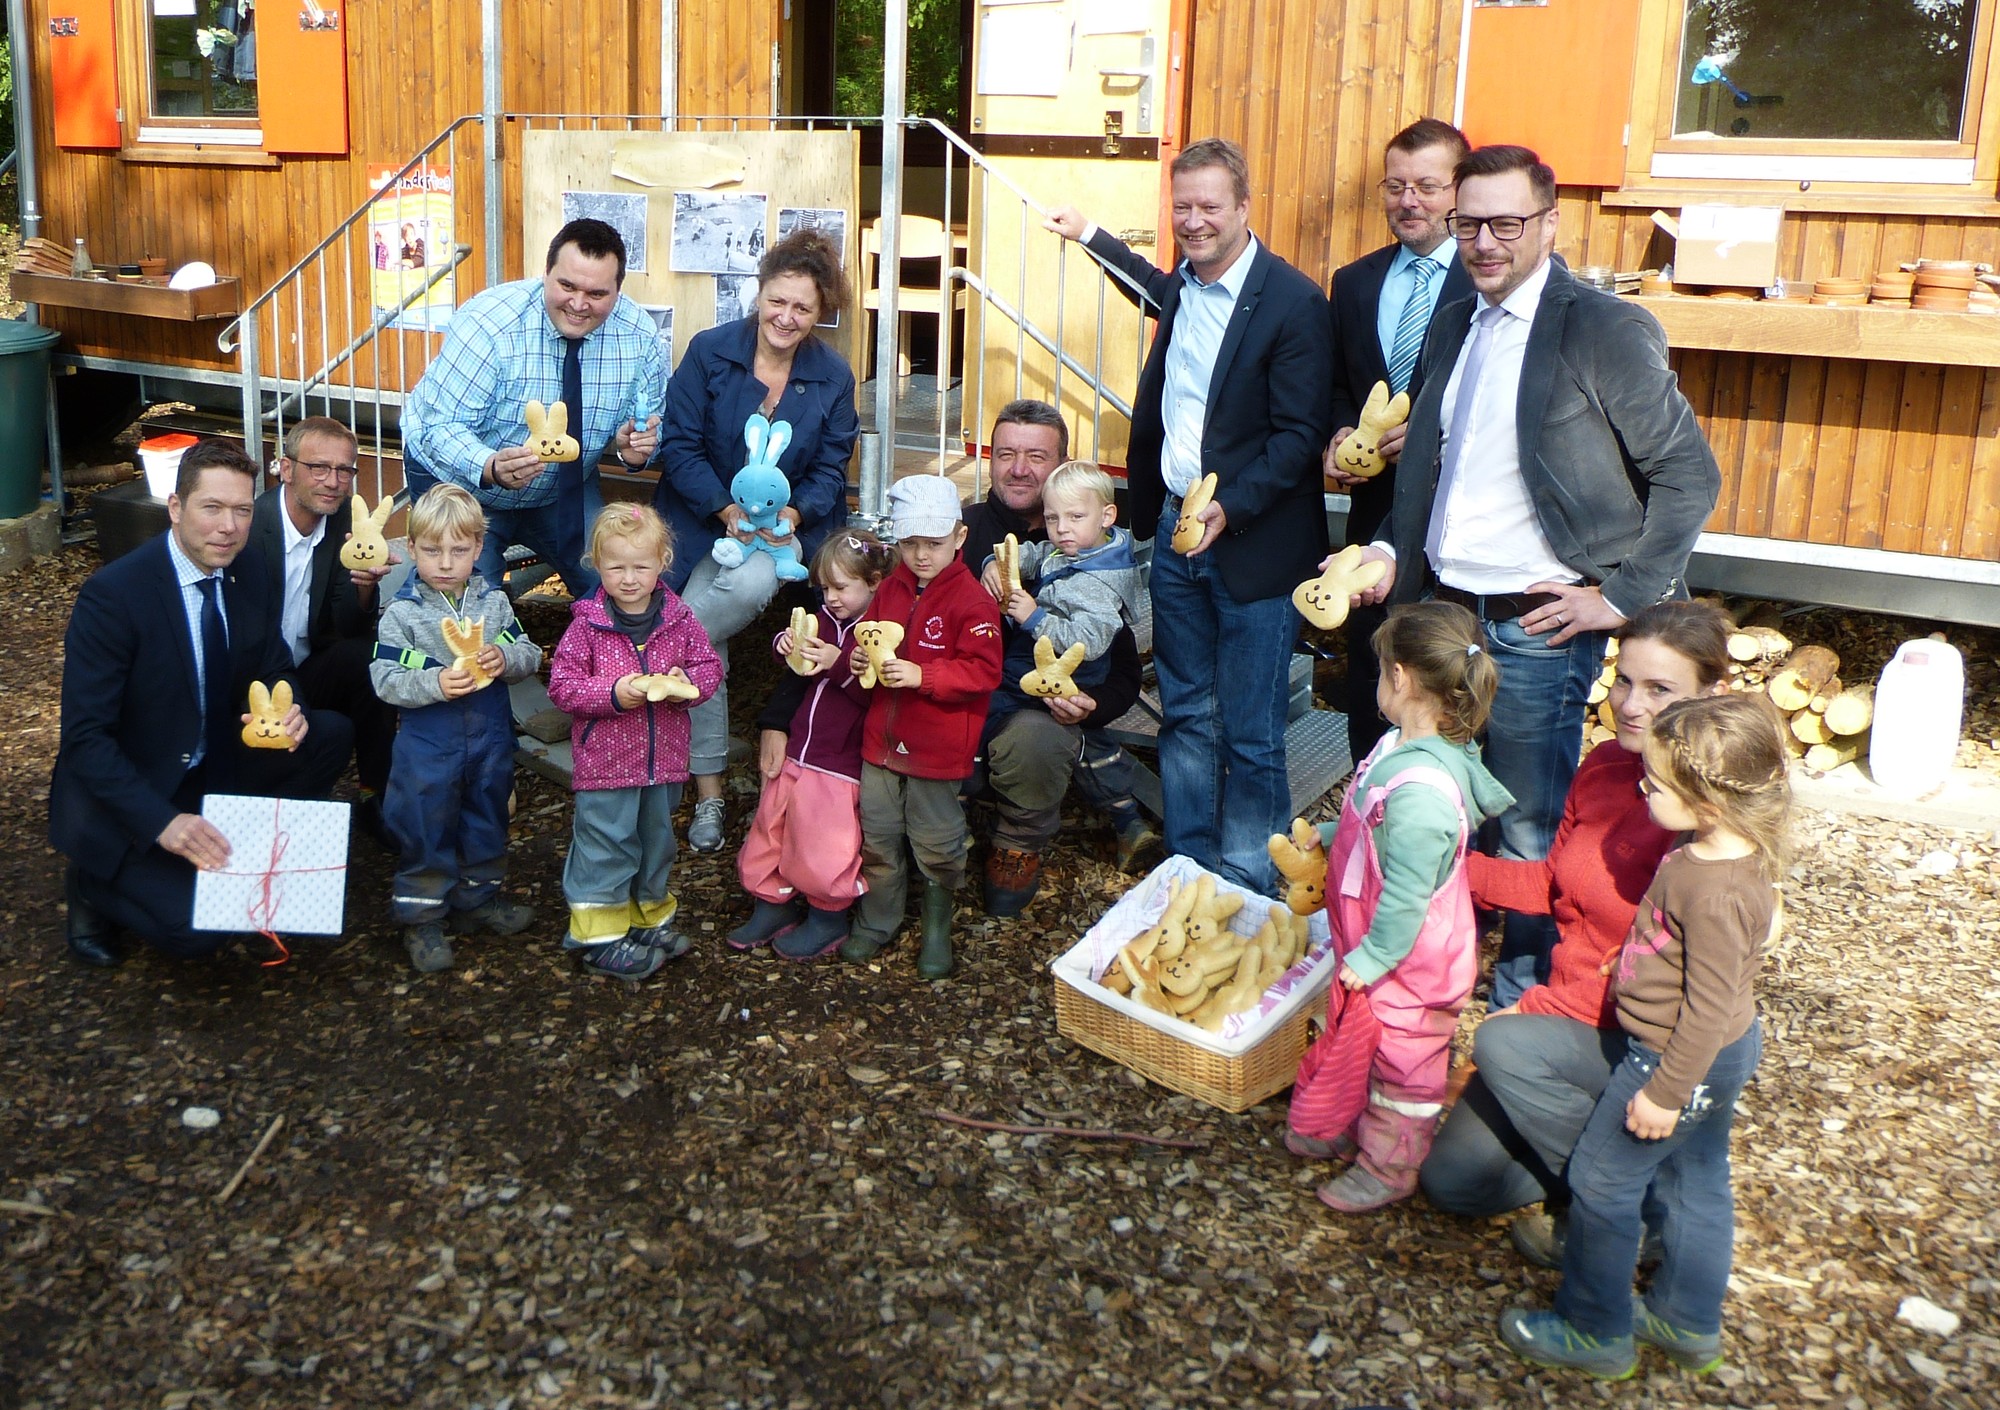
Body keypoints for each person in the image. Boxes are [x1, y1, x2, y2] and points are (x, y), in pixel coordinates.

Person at [1356, 144, 1720, 1007]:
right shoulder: (1456, 316)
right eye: (1468, 222)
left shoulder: (1600, 328)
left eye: (1505, 223)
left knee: (1525, 816)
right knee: (1439, 797)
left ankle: (1523, 991)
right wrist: (1388, 553)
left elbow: (1688, 474)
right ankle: (1433, 952)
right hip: (1446, 609)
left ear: (1550, 224)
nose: (1484, 241)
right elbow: (1434, 464)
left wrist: (1621, 597)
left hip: (1534, 623)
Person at [1047, 137, 1334, 896]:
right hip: (1176, 533)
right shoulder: (1184, 283)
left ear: (1244, 206)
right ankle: (1187, 867)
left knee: (1249, 728)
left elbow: (1300, 437)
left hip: (1253, 541)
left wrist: (1229, 510)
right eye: (1183, 207)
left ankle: (1245, 883)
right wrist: (1091, 236)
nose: (1195, 221)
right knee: (1185, 716)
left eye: (1211, 206)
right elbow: (1144, 280)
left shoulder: (1294, 302)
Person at [1419, 601, 1735, 1250]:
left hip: (1637, 1040)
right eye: (1623, 679)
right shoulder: (1605, 768)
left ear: (1714, 696)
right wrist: (1443, 870)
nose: (1630, 704)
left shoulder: (1705, 821)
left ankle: (1633, 1205)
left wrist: (1533, 1010)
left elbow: (1645, 977)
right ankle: (1601, 1161)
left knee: (1501, 1047)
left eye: (1660, 690)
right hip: (1566, 1023)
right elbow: (1554, 884)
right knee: (1454, 1182)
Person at [1498, 692, 1788, 1380]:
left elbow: (1710, 1004)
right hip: (1714, 1054)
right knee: (1697, 1180)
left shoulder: (1711, 887)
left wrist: (1663, 1092)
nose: (1642, 787)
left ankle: (1592, 1327)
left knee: (1602, 1185)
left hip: (1675, 1056)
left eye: (1655, 785)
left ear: (1710, 803)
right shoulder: (1717, 856)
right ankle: (1685, 1320)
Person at [50, 439, 353, 965]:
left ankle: (244, 838)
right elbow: (85, 740)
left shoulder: (249, 569)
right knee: (201, 933)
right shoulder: (114, 597)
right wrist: (162, 823)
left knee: (329, 734)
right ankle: (92, 884)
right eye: (211, 508)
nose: (229, 526)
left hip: (213, 762)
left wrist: (290, 707)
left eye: (240, 510)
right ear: (175, 508)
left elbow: (274, 664)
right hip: (138, 787)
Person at [1283, 602, 1512, 1212]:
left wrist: (1377, 954)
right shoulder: (1395, 746)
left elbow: (1409, 891)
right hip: (1378, 947)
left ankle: (1390, 1165)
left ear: (1401, 678)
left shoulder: (1423, 795)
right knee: (1368, 1038)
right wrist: (1332, 836)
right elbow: (1371, 826)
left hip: (1409, 961)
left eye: (1379, 669)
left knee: (1405, 1064)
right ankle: (1357, 1124)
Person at [656, 228, 861, 855]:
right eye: (777, 301)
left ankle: (691, 774)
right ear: (760, 293)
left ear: (820, 312)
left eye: (802, 308)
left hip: (780, 535)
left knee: (697, 625)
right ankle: (711, 793)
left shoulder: (831, 375)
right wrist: (723, 510)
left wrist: (796, 515)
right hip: (703, 521)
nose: (786, 317)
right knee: (703, 636)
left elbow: (832, 466)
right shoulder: (710, 351)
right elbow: (679, 446)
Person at [403, 218, 667, 599]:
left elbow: (650, 424)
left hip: (564, 489)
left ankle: (599, 658)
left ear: (618, 290)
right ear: (545, 273)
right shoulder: (489, 323)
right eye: (567, 286)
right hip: (460, 482)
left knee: (618, 587)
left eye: (597, 293)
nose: (578, 304)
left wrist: (635, 449)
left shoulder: (640, 337)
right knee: (465, 602)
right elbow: (438, 427)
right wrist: (490, 465)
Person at [1323, 118, 1472, 762]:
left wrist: (1438, 428)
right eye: (1396, 186)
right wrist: (1334, 437)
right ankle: (1368, 805)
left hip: (1456, 521)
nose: (1409, 201)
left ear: (1461, 191)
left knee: (1452, 682)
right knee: (1371, 673)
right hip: (1369, 516)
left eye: (1428, 187)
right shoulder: (1354, 282)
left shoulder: (1488, 280)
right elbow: (1335, 384)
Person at [962, 400, 1150, 897]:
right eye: (1005, 454)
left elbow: (1120, 665)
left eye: (1035, 457)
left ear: (1061, 465)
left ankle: (1018, 844)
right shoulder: (962, 531)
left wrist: (1093, 706)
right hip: (959, 678)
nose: (1019, 468)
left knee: (1037, 737)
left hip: (1036, 698)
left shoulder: (1089, 553)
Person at [370, 485, 545, 973]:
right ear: (411, 547)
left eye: (459, 550)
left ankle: (478, 898)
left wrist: (505, 657)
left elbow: (530, 653)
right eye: (431, 550)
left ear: (479, 546)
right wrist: (435, 683)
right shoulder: (402, 614)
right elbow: (384, 678)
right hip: (428, 744)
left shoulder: (492, 603)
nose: (445, 562)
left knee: (487, 813)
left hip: (488, 740)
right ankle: (422, 916)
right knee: (425, 821)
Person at [546, 504, 723, 980]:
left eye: (640, 567)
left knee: (655, 842)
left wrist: (687, 682)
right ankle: (600, 934)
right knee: (606, 844)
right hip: (606, 764)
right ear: (596, 564)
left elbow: (708, 668)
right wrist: (612, 693)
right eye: (615, 567)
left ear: (663, 562)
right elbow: (562, 685)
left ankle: (647, 920)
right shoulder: (586, 624)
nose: (628, 578)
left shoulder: (679, 618)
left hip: (663, 760)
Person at [840, 477, 1003, 980]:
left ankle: (936, 923)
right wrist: (855, 662)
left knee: (938, 841)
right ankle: (879, 918)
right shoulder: (890, 588)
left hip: (937, 745)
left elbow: (983, 672)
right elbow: (866, 642)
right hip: (882, 742)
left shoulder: (972, 602)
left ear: (959, 538)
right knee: (879, 834)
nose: (920, 555)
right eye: (909, 544)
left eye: (933, 543)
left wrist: (922, 674)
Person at [728, 530, 894, 960]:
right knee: (771, 828)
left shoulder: (877, 634)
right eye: (825, 588)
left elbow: (874, 696)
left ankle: (827, 916)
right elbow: (792, 665)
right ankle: (771, 903)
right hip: (797, 750)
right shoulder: (821, 619)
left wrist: (836, 664)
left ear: (874, 581)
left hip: (838, 761)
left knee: (823, 842)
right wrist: (783, 645)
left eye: (842, 588)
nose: (832, 597)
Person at [248, 415, 400, 848]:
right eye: (319, 468)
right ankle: (279, 816)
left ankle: (377, 797)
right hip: (253, 679)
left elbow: (348, 629)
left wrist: (365, 588)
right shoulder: (250, 528)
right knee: (324, 727)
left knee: (371, 657)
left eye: (344, 470)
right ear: (287, 468)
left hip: (306, 666)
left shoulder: (340, 528)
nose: (334, 481)